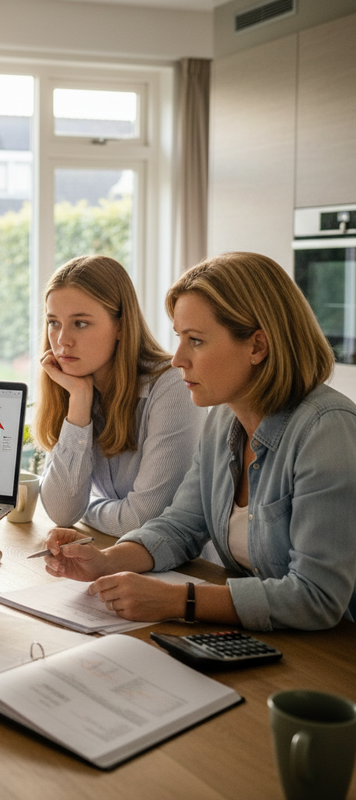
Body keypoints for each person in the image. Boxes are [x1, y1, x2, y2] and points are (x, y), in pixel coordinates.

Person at [43, 252, 356, 632]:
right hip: (266, 637)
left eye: (195, 341)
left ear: (257, 346)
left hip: (335, 658)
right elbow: (180, 526)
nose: (177, 359)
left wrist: (179, 599)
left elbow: (316, 598)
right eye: (179, 338)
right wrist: (107, 560)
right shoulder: (225, 419)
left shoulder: (326, 430)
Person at [35, 254, 205, 537]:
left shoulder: (172, 386)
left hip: (187, 570)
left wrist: (86, 506)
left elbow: (143, 521)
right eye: (54, 322)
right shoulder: (78, 384)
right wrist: (79, 398)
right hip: (114, 558)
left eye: (80, 323)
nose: (62, 340)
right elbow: (62, 513)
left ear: (121, 326)